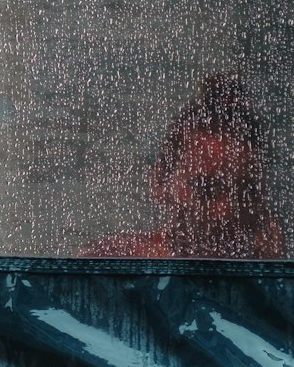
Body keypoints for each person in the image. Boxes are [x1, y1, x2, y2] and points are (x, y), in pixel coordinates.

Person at [85, 73, 285, 259]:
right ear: (161, 181)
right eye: (204, 188)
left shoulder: (266, 268)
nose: (225, 210)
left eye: (246, 191)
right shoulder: (116, 259)